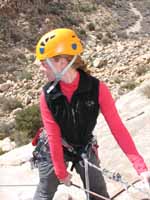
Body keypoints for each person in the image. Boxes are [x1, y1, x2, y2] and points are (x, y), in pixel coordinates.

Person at [32, 28, 150, 200]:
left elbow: (118, 128)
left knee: (98, 193)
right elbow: (53, 136)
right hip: (54, 149)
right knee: (45, 192)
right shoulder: (48, 96)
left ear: (62, 62)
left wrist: (141, 168)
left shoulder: (97, 89)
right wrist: (60, 172)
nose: (41, 69)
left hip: (83, 146)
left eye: (44, 63)